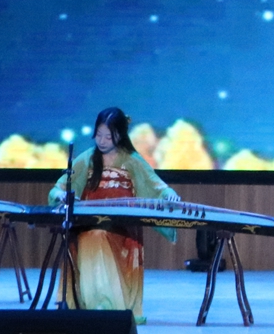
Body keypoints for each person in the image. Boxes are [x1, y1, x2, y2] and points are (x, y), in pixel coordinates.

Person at [49, 107, 180, 322]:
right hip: (89, 224)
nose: (101, 141)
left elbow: (156, 187)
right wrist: (60, 195)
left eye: (108, 136)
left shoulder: (132, 160)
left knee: (99, 237)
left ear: (120, 135)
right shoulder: (86, 159)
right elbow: (59, 188)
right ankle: (93, 304)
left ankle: (109, 306)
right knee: (94, 236)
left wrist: (169, 195)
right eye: (98, 135)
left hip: (121, 229)